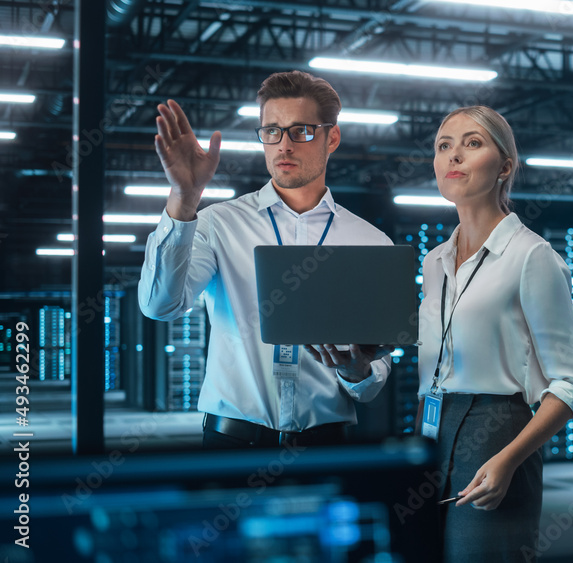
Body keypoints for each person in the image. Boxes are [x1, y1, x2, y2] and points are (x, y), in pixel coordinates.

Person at [138, 70, 392, 448]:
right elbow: (160, 306)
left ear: (332, 138)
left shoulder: (372, 243)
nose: (283, 145)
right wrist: (183, 198)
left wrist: (358, 372)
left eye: (301, 130)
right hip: (232, 447)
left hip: (324, 450)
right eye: (271, 131)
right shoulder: (216, 224)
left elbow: (372, 381)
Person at [417, 106, 573, 561]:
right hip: (431, 428)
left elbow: (571, 383)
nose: (454, 156)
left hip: (499, 431)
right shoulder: (433, 261)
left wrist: (510, 458)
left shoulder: (532, 256)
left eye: (472, 143)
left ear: (505, 166)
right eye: (444, 146)